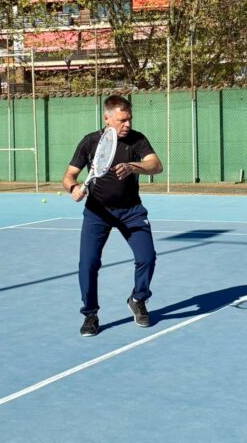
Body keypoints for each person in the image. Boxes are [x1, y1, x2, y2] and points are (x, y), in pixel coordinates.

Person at [63, 95, 163, 337]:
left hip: (131, 211)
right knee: (87, 265)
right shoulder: (90, 142)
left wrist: (133, 166)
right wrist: (73, 188)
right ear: (107, 118)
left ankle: (138, 299)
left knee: (147, 257)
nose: (127, 124)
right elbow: (69, 175)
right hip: (98, 212)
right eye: (122, 120)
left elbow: (156, 165)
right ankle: (90, 314)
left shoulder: (137, 140)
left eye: (129, 119)